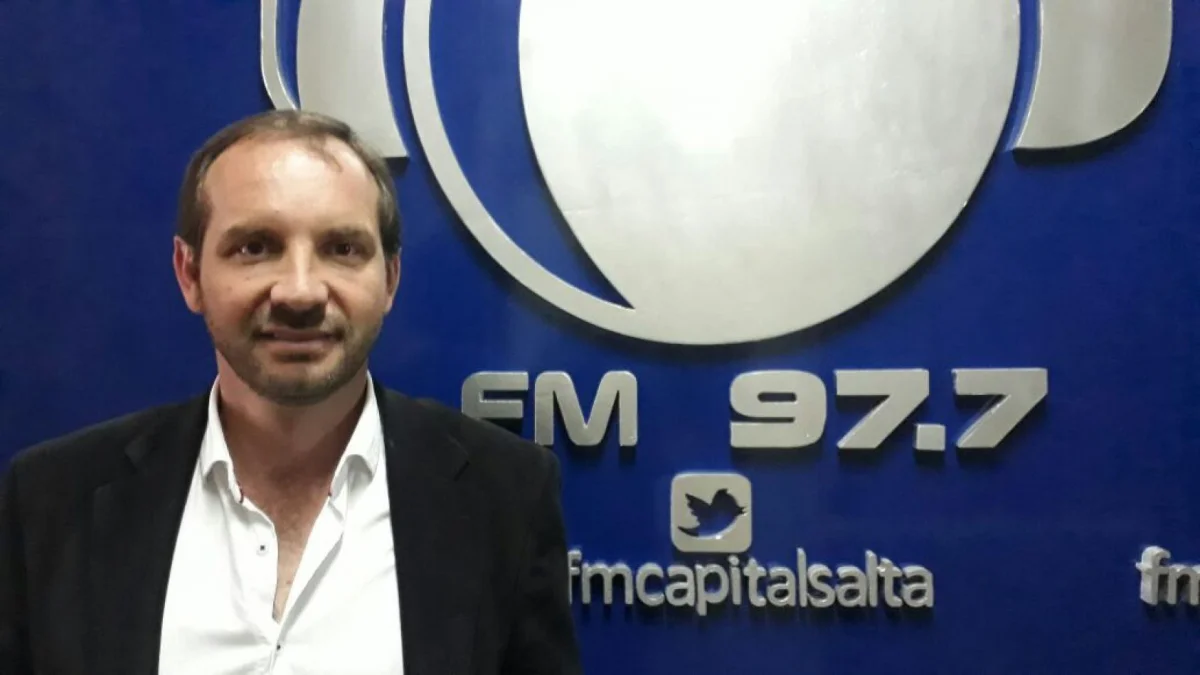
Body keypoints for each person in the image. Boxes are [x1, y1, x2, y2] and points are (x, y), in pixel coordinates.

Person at [0, 110, 582, 674]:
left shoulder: (506, 497)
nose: (300, 292)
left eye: (342, 249)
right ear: (189, 273)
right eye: (256, 247)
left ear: (390, 279)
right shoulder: (53, 501)